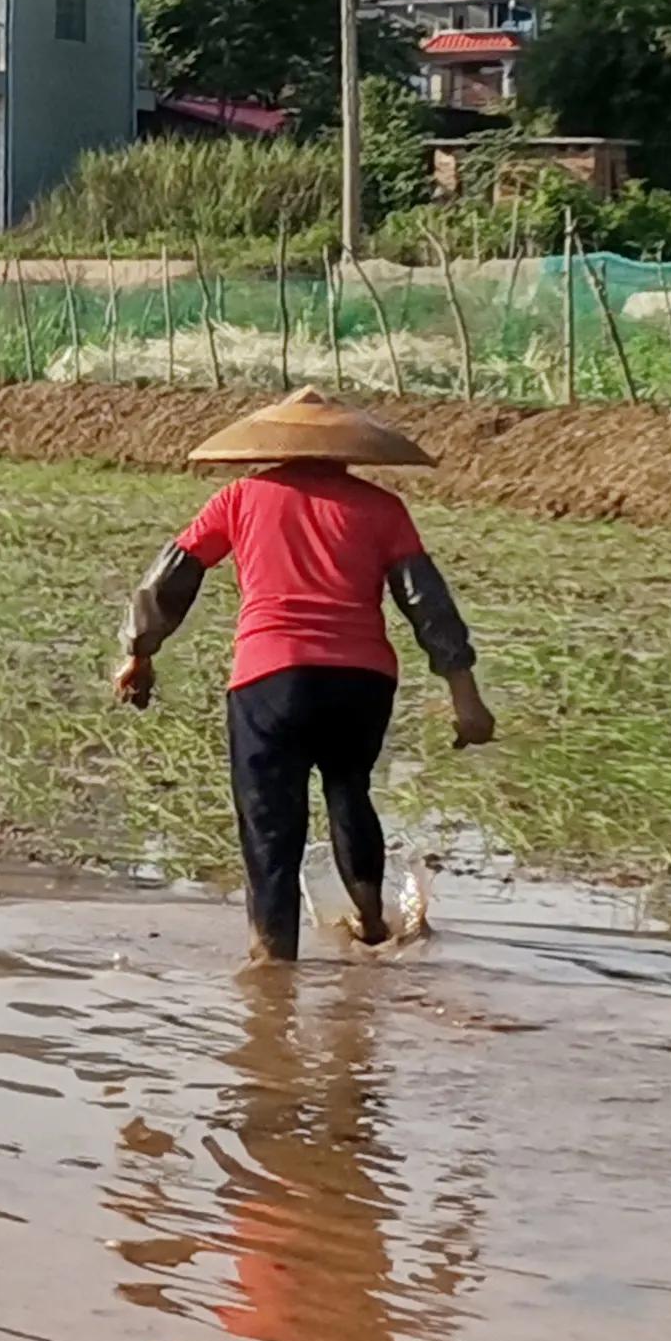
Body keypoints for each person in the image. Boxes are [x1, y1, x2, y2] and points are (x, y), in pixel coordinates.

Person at [111, 390, 497, 961]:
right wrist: (466, 696)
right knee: (350, 794)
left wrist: (139, 653)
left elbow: (171, 578)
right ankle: (370, 921)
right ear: (348, 452)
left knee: (270, 823)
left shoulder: (240, 497)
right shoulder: (381, 508)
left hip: (268, 679)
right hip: (360, 682)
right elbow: (426, 604)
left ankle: (271, 960)